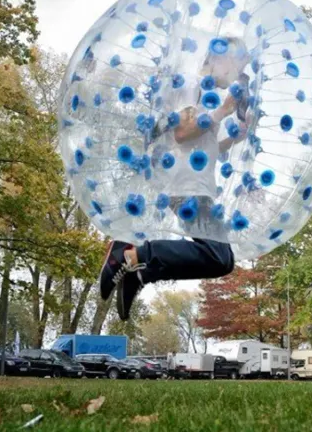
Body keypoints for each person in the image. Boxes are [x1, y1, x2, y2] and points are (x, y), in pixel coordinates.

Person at [99, 40, 252, 321]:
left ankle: (139, 271)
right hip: (186, 187)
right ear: (221, 57)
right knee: (219, 257)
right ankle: (130, 253)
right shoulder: (192, 87)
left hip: (193, 185)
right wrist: (223, 111)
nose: (238, 74)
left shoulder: (205, 94)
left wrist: (233, 137)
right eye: (238, 65)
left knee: (221, 258)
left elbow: (205, 148)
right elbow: (182, 133)